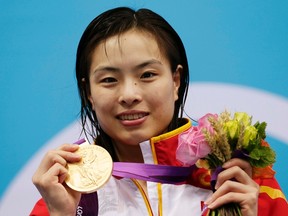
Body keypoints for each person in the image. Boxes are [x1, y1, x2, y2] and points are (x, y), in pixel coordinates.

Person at [30, 7, 287, 216]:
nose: (129, 94)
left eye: (147, 75)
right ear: (88, 92)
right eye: (109, 79)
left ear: (175, 81)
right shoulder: (65, 192)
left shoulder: (236, 177)